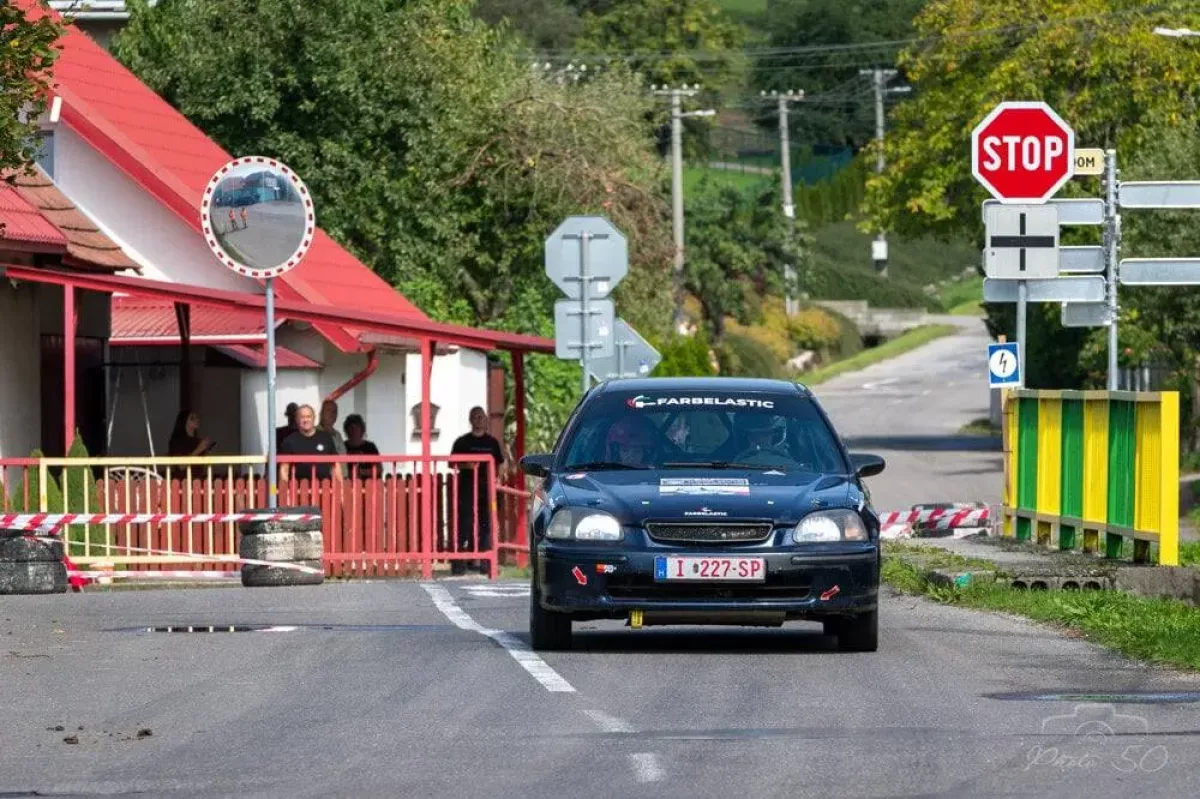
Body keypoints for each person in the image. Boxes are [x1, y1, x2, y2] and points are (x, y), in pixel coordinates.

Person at [449, 406, 505, 576]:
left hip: (487, 489)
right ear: (470, 420)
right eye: (475, 417)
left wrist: (498, 479)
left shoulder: (492, 443)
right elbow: (451, 463)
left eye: (481, 417)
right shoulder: (462, 442)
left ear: (486, 419)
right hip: (466, 488)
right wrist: (467, 465)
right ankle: (458, 563)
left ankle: (485, 563)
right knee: (464, 524)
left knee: (486, 525)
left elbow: (500, 463)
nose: (479, 420)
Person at [279, 404, 342, 487]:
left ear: (314, 418)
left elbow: (335, 465)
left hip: (324, 490)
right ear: (297, 419)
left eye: (308, 416)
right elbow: (284, 469)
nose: (306, 420)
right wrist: (285, 493)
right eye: (302, 417)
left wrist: (340, 489)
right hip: (298, 491)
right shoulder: (289, 441)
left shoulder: (326, 438)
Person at [343, 414, 380, 481]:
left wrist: (361, 472)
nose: (354, 430)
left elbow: (379, 468)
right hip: (347, 486)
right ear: (347, 430)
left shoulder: (370, 447)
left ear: (362, 429)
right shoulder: (342, 446)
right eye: (351, 428)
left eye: (356, 427)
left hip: (368, 487)